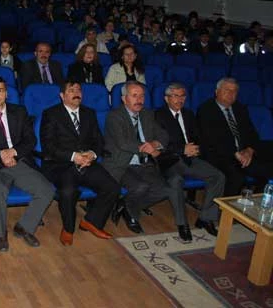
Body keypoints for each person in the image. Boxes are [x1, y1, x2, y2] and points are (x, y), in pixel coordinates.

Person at [0, 77, 55, 252]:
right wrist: (1, 154)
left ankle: (25, 227)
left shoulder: (20, 111)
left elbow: (30, 140)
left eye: (1, 90)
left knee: (47, 190)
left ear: (7, 93)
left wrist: (14, 152)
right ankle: (1, 234)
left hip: (19, 161)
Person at [40, 81, 120, 246]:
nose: (76, 93)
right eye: (71, 90)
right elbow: (49, 147)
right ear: (62, 96)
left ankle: (92, 221)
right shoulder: (51, 114)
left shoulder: (89, 113)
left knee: (112, 187)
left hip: (86, 163)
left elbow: (99, 141)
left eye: (78, 90)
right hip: (61, 164)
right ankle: (68, 229)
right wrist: (73, 156)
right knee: (68, 191)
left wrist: (92, 154)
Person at [102, 81, 174, 235]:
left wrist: (155, 144)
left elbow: (163, 135)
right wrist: (147, 148)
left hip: (144, 163)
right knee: (140, 187)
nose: (139, 99)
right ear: (124, 98)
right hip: (122, 164)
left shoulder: (147, 114)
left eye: (142, 96)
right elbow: (123, 143)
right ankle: (132, 216)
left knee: (165, 190)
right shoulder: (114, 116)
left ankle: (124, 205)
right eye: (134, 95)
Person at [154, 83, 225, 237]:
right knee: (176, 181)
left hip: (191, 158)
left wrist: (197, 148)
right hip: (170, 160)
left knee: (218, 176)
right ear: (166, 98)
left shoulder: (189, 114)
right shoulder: (158, 115)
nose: (179, 99)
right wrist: (182, 149)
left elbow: (199, 137)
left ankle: (206, 218)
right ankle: (182, 223)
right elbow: (160, 144)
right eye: (175, 96)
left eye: (182, 96)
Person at [197, 78, 273, 195]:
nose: (231, 94)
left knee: (267, 164)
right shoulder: (206, 109)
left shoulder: (239, 108)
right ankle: (226, 205)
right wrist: (236, 154)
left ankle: (259, 198)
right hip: (221, 154)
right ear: (217, 92)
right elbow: (212, 140)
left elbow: (251, 133)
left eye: (234, 91)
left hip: (243, 152)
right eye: (227, 90)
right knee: (236, 176)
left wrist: (249, 151)